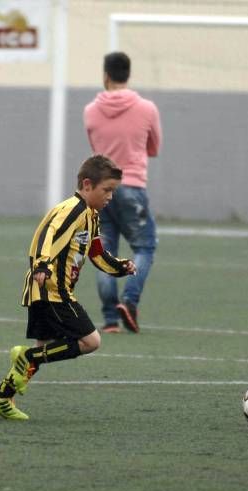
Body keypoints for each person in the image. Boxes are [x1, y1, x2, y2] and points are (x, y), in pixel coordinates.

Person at [0, 155, 136, 421]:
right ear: (87, 185)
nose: (110, 196)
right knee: (90, 341)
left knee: (45, 347)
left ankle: (1, 396)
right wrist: (42, 264)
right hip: (53, 291)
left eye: (113, 191)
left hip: (46, 290)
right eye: (107, 190)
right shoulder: (73, 209)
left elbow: (97, 254)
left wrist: (120, 267)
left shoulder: (90, 216)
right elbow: (46, 234)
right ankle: (27, 357)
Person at [83, 51, 162, 334]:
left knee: (104, 252)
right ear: (127, 75)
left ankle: (110, 320)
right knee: (145, 246)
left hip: (101, 189)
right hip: (132, 185)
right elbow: (155, 147)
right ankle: (129, 300)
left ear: (106, 75)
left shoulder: (91, 110)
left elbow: (95, 149)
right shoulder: (147, 109)